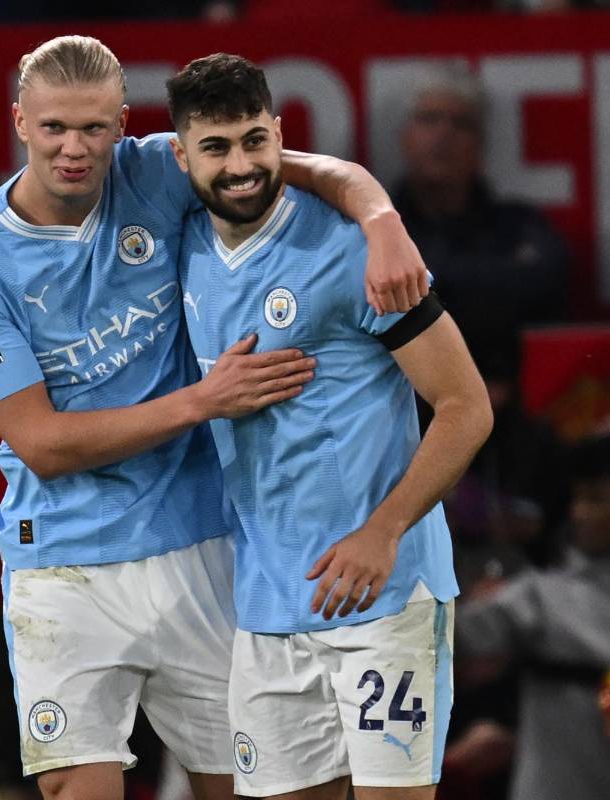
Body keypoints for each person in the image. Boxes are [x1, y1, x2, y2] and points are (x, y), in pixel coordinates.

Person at [0, 35, 428, 800]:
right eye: (55, 127)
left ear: (123, 124)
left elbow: (303, 168)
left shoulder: (160, 169)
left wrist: (381, 216)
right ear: (20, 120)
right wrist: (204, 400)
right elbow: (41, 444)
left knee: (252, 789)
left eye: (95, 128)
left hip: (202, 542)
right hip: (62, 560)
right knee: (78, 788)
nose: (74, 149)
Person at [167, 53, 493, 799]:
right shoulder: (181, 241)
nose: (242, 165)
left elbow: (466, 407)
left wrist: (384, 531)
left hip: (384, 595)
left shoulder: (351, 250)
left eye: (256, 140)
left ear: (280, 133)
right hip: (269, 604)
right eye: (216, 148)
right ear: (181, 156)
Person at [454, 433, 610, 800]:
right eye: (577, 498)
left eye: (596, 499)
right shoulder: (541, 598)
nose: (580, 513)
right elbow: (445, 637)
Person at [392, 64, 569, 386]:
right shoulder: (366, 228)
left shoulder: (520, 227)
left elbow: (547, 284)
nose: (443, 134)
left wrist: (426, 286)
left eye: (461, 124)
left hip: (506, 409)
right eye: (429, 119)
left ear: (480, 146)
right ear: (404, 138)